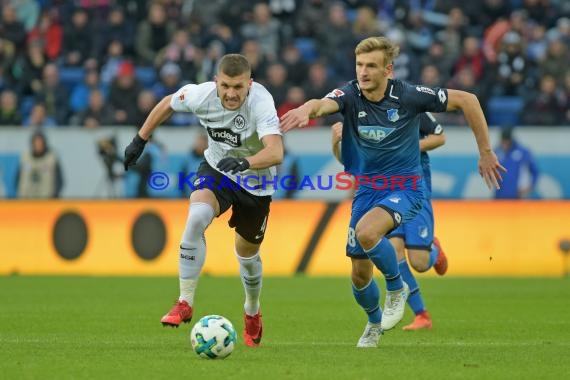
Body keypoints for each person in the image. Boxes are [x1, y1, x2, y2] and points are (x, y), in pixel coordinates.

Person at [281, 36, 505, 348]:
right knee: (359, 276)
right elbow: (322, 104)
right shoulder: (350, 94)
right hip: (367, 192)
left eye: (371, 66)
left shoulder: (410, 96)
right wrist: (307, 109)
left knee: (369, 234)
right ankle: (373, 323)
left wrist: (485, 151)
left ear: (388, 70)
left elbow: (468, 100)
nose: (363, 72)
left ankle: (396, 287)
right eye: (359, 65)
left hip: (407, 188)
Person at [123, 54, 283, 347]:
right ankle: (184, 301)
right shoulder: (200, 95)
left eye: (238, 86)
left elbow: (275, 152)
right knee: (196, 217)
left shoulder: (261, 102)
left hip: (256, 183)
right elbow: (167, 103)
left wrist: (247, 163)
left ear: (250, 83)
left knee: (247, 258)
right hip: (218, 168)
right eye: (225, 86)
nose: (231, 93)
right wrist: (140, 140)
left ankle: (252, 309)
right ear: (215, 82)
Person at [331, 112, 449, 332]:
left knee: (420, 262)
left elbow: (439, 137)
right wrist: (336, 142)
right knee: (394, 251)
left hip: (414, 191)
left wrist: (405, 147)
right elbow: (351, 162)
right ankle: (421, 314)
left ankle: (433, 249)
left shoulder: (410, 103)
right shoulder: (361, 114)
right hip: (384, 194)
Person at [494, 127, 539, 199]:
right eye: (503, 142)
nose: (504, 145)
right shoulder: (497, 151)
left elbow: (535, 171)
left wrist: (530, 186)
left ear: (511, 140)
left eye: (507, 142)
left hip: (517, 195)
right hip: (500, 195)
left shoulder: (523, 152)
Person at [17, 130, 63, 198]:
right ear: (32, 144)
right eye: (36, 143)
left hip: (46, 200)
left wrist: (54, 196)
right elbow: (17, 179)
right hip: (27, 200)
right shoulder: (25, 158)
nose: (38, 145)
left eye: (40, 143)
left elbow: (59, 180)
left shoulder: (51, 158)